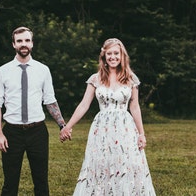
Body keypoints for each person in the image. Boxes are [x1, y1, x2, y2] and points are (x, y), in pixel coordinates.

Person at [60, 38, 156, 195]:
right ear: (103, 56)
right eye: (109, 54)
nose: (113, 57)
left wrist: (141, 134)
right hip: (102, 128)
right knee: (102, 164)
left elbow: (134, 106)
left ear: (122, 55)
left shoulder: (131, 78)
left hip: (125, 128)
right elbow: (84, 104)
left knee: (126, 164)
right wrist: (67, 127)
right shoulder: (95, 78)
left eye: (116, 53)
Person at [0, 26, 67, 196]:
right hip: (12, 132)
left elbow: (50, 100)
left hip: (38, 132)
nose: (23, 44)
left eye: (26, 40)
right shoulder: (2, 71)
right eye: (19, 41)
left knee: (41, 182)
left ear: (32, 43)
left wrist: (62, 125)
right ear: (13, 44)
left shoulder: (43, 70)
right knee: (10, 184)